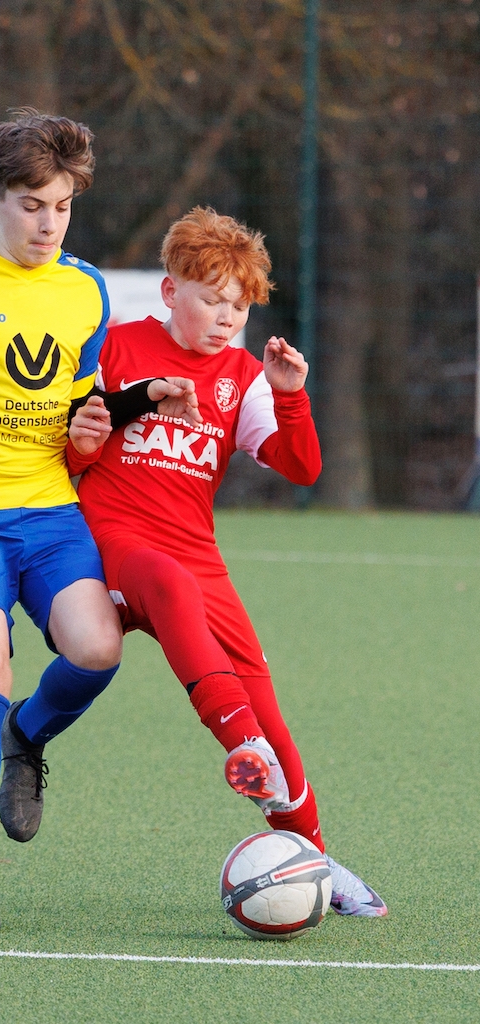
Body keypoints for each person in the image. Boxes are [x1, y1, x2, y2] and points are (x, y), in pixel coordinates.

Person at [0, 108, 198, 932]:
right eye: (31, 205)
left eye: (61, 207)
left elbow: (83, 402)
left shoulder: (84, 289)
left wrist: (136, 399)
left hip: (49, 506)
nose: (48, 224)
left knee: (97, 648)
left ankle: (28, 736)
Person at [66, 206, 387, 918]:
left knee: (271, 715)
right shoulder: (113, 347)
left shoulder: (242, 375)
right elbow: (69, 452)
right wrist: (90, 437)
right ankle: (241, 744)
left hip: (197, 556)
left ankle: (317, 863)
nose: (224, 318)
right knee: (171, 588)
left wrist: (289, 394)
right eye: (211, 300)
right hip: (117, 543)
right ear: (169, 290)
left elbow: (302, 468)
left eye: (237, 308)